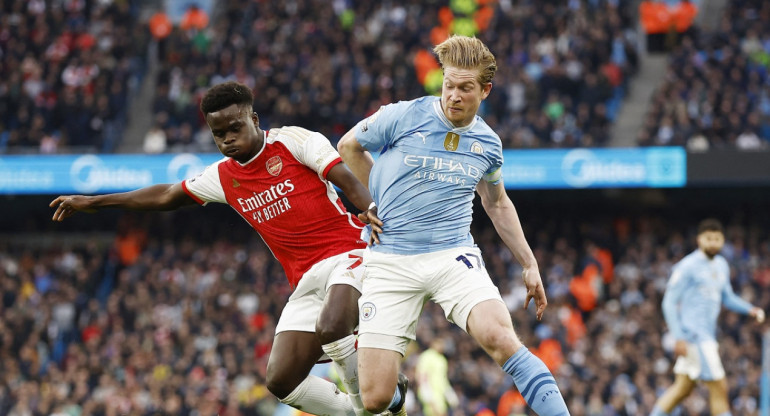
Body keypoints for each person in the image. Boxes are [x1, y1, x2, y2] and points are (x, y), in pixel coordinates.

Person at [50, 81, 406, 416]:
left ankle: (368, 405)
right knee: (281, 381)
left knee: (332, 326)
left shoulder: (292, 142)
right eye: (219, 134)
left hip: (349, 253)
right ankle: (387, 398)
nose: (228, 139)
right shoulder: (223, 177)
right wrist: (94, 201)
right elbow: (166, 195)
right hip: (305, 280)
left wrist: (369, 208)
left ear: (254, 118)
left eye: (235, 128)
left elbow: (342, 174)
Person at [337, 35, 570, 415]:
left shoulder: (488, 144)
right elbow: (348, 146)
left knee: (500, 337)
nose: (454, 96)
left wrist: (529, 264)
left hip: (452, 255)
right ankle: (396, 391)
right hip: (392, 258)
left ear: (486, 90)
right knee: (376, 398)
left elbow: (497, 202)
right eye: (449, 85)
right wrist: (375, 199)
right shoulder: (403, 115)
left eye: (465, 88)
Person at [651, 219, 766, 416]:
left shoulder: (721, 265)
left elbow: (727, 297)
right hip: (694, 337)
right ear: (699, 240)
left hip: (706, 336)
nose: (713, 242)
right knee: (719, 386)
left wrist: (750, 309)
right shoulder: (686, 266)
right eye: (708, 238)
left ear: (722, 240)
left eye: (717, 238)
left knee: (682, 389)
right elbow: (668, 302)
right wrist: (678, 336)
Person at [415, 337, 459, 416]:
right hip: (431, 395)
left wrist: (450, 395)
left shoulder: (442, 359)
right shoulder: (427, 356)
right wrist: (427, 395)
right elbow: (422, 376)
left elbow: (444, 379)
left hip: (440, 396)